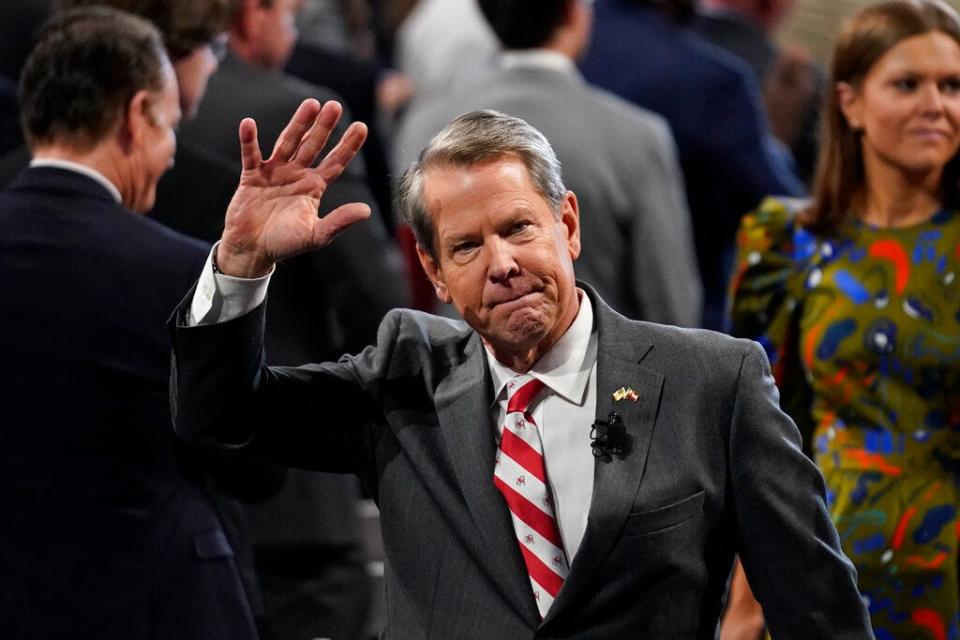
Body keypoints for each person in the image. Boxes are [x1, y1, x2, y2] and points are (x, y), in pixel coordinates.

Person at [168, 102, 873, 637]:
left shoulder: (714, 383)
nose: (502, 264)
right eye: (467, 246)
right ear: (434, 271)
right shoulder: (402, 380)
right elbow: (221, 416)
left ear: (566, 224)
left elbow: (819, 612)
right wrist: (241, 264)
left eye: (518, 228)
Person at [0, 8, 257, 639]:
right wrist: (245, 278)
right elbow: (250, 458)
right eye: (170, 126)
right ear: (136, 114)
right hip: (150, 606)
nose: (171, 154)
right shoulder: (174, 269)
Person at [728, 0, 960, 637]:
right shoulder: (787, 243)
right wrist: (744, 607)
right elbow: (761, 443)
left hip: (947, 580)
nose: (936, 105)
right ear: (851, 103)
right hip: (818, 569)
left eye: (953, 86)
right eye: (908, 84)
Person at [393, 0, 702, 326]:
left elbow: (416, 289)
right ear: (573, 11)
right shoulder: (636, 136)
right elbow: (670, 306)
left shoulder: (422, 127)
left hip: (465, 369)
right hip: (609, 373)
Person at [580, 0, 806, 329]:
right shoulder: (710, 84)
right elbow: (791, 227)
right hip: (672, 343)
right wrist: (781, 140)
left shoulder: (558, 44)